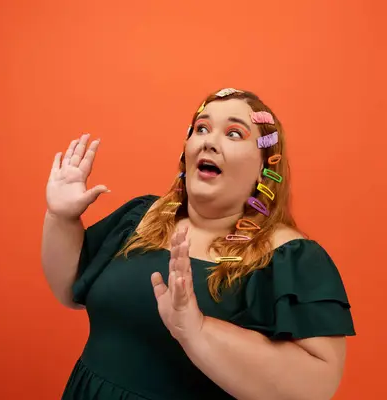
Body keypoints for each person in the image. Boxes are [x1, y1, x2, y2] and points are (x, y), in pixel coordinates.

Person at [41, 88, 356, 400]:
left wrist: (198, 330)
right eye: (201, 128)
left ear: (265, 165)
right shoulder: (141, 217)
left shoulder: (291, 258)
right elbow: (69, 291)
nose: (209, 140)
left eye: (234, 134)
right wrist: (61, 218)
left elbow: (316, 386)